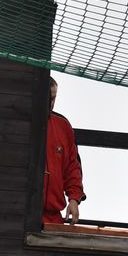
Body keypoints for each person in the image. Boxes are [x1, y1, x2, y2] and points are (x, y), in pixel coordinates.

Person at [43, 77, 85, 225]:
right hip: (21, 213)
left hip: (53, 217)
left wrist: (74, 199)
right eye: (49, 98)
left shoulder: (63, 126)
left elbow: (72, 167)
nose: (51, 104)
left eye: (54, 98)